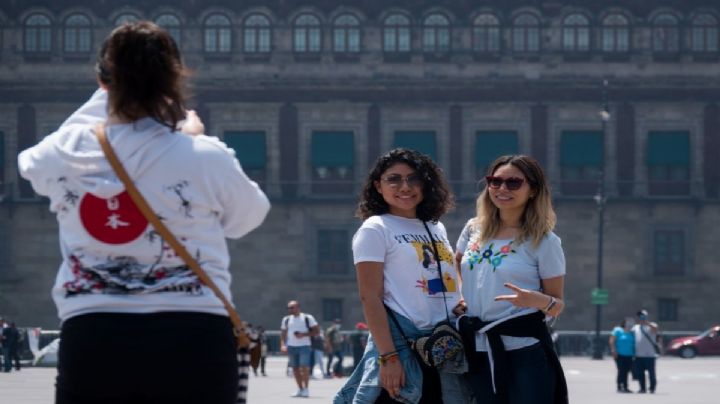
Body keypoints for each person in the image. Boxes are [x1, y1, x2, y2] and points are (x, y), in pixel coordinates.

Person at [17, 21, 270, 404]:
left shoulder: (61, 155)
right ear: (174, 81)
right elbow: (247, 219)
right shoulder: (205, 155)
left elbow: (31, 163)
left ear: (103, 82)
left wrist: (110, 96)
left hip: (93, 335)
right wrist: (191, 136)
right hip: (193, 334)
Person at [335, 148, 470, 404]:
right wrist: (388, 357)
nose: (405, 187)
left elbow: (441, 275)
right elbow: (370, 297)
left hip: (442, 345)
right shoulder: (375, 229)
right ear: (378, 186)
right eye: (394, 179)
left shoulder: (435, 226)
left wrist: (460, 300)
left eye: (413, 178)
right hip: (404, 346)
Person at [455, 154, 568, 404]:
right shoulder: (473, 229)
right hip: (478, 348)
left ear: (532, 190)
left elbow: (558, 304)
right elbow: (458, 263)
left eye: (514, 183)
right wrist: (463, 296)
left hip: (524, 351)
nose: (502, 189)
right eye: (495, 181)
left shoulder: (544, 241)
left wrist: (535, 299)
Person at [280, 300, 320, 398]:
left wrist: (304, 334)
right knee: (295, 369)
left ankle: (306, 389)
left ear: (298, 307)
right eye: (289, 308)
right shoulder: (286, 319)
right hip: (291, 346)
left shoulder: (307, 318)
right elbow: (283, 333)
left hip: (304, 346)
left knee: (304, 368)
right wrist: (282, 345)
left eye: (292, 307)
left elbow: (317, 331)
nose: (290, 309)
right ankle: (300, 389)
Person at [632, 309, 660, 393]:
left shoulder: (652, 325)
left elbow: (655, 329)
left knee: (651, 373)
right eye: (640, 316)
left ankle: (652, 388)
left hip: (650, 355)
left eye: (642, 316)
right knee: (640, 373)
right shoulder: (635, 327)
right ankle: (642, 388)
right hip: (638, 355)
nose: (641, 318)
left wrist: (646, 322)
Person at [609, 318, 635, 393]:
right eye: (628, 323)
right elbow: (612, 341)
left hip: (629, 355)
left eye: (631, 323)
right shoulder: (618, 330)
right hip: (619, 354)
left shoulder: (632, 332)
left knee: (626, 371)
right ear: (624, 323)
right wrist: (613, 350)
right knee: (621, 370)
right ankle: (619, 386)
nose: (630, 324)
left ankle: (625, 386)